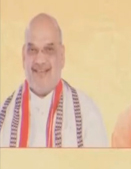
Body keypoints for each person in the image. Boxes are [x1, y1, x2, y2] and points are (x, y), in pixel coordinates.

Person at [0, 13, 108, 147]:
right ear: (23, 56)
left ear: (61, 56)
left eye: (49, 50)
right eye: (32, 50)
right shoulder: (3, 117)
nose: (40, 60)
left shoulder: (87, 115)